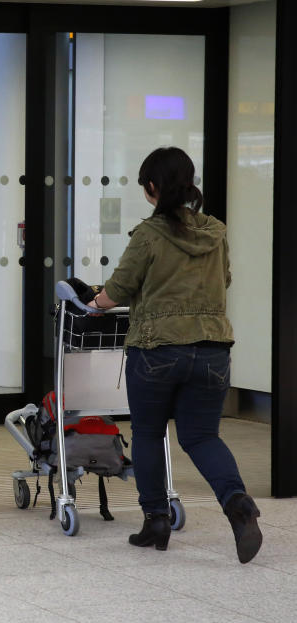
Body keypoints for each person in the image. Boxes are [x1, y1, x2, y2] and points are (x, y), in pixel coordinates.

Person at [91, 146, 262, 564]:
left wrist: (96, 301)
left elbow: (117, 292)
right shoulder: (216, 232)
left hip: (157, 350)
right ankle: (238, 504)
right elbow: (224, 279)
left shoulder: (148, 235)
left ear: (153, 187)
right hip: (212, 349)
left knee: (149, 434)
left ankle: (156, 521)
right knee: (202, 436)